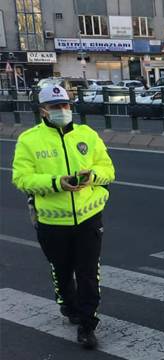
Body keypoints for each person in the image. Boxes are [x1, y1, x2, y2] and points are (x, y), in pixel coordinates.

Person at [11, 85, 115, 350]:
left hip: (88, 219)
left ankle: (87, 324)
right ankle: (68, 305)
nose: (62, 110)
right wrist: (57, 183)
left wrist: (92, 176)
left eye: (66, 105)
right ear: (43, 110)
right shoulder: (29, 140)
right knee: (62, 269)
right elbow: (21, 179)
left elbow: (108, 169)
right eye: (56, 107)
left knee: (88, 273)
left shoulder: (87, 135)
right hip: (52, 222)